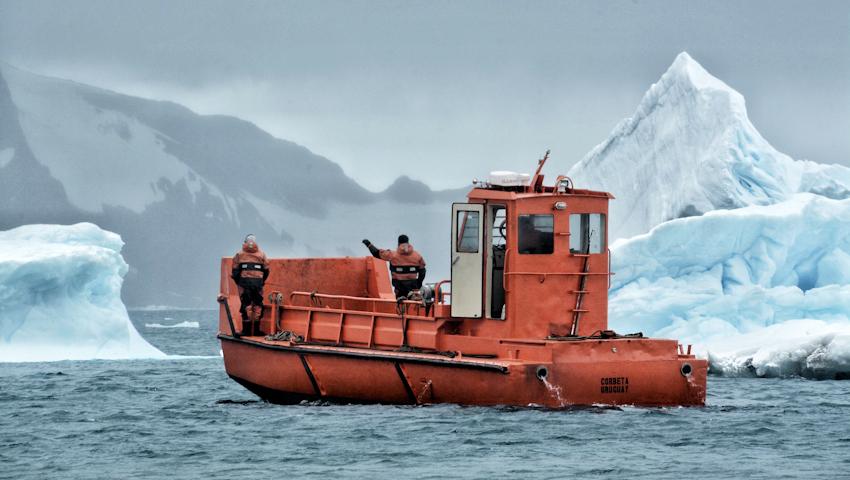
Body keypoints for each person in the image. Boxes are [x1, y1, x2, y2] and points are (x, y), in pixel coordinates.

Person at [362, 234, 426, 299]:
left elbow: (376, 253)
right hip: (414, 289)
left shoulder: (392, 255)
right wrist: (418, 284)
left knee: (400, 306)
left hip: (399, 289)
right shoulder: (417, 256)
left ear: (398, 243)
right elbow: (422, 271)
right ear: (408, 243)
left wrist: (369, 244)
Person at [231, 234, 269, 336]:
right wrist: (261, 281)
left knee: (246, 305)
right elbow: (266, 270)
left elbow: (235, 271)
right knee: (258, 305)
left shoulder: (239, 255)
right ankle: (256, 331)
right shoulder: (262, 254)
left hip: (244, 284)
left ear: (245, 242)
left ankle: (246, 331)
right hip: (258, 284)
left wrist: (239, 282)